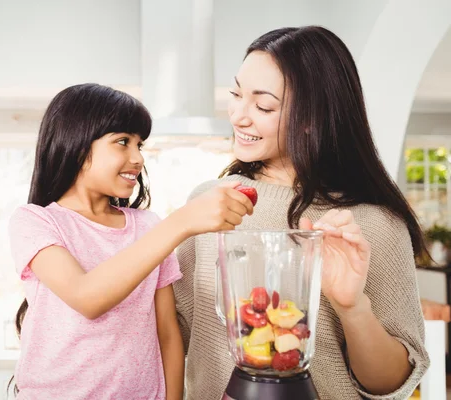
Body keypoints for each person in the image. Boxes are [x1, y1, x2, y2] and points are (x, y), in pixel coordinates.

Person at [174, 26, 430, 400]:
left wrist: (352, 308)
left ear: (313, 118)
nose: (239, 116)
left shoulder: (372, 223)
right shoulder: (210, 203)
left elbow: (393, 384)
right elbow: (170, 334)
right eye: (236, 94)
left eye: (263, 106)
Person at [7, 83, 254, 399]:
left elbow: (167, 333)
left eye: (140, 145)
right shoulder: (36, 221)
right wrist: (180, 222)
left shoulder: (149, 226)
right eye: (122, 142)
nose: (137, 157)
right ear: (78, 145)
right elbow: (87, 298)